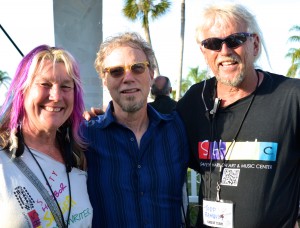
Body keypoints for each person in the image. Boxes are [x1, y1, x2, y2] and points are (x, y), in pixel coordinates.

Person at [176, 2, 300, 227]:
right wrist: (102, 118)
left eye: (235, 40)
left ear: (254, 44)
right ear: (204, 52)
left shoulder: (291, 97)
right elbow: (153, 131)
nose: (224, 51)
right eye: (213, 43)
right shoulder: (195, 100)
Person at [81, 32, 189, 227]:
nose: (128, 78)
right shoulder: (84, 135)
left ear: (151, 74)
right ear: (104, 80)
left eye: (137, 68)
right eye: (116, 71)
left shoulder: (178, 130)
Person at [0, 45, 93, 227]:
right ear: (22, 90)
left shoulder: (78, 157)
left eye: (66, 86)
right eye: (45, 84)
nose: (56, 96)